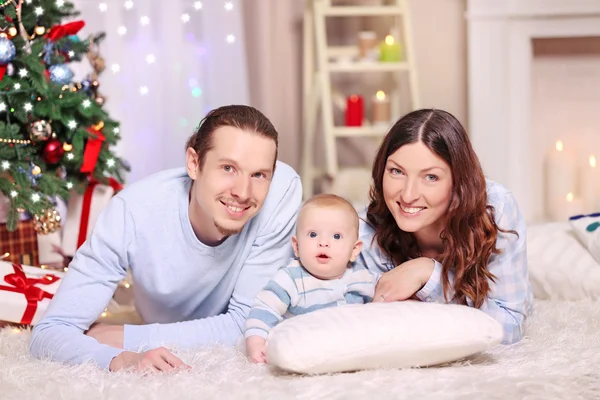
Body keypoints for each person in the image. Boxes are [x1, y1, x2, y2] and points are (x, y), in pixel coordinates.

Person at [29, 105, 303, 372]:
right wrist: (122, 359)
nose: (243, 192)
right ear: (194, 164)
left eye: (259, 174)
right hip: (161, 316)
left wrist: (124, 336)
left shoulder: (281, 191)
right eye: (228, 168)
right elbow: (50, 332)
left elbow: (249, 322)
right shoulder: (133, 212)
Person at [356, 108, 533, 344]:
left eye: (430, 177)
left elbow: (509, 328)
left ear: (458, 182)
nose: (408, 195)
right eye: (396, 171)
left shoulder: (497, 208)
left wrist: (428, 275)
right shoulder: (365, 229)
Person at [244, 194, 379, 363]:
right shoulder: (290, 279)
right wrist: (256, 343)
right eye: (313, 234)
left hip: (347, 352)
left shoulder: (362, 277)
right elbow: (263, 309)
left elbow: (387, 303)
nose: (323, 242)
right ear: (297, 246)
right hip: (302, 349)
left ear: (354, 250)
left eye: (336, 236)